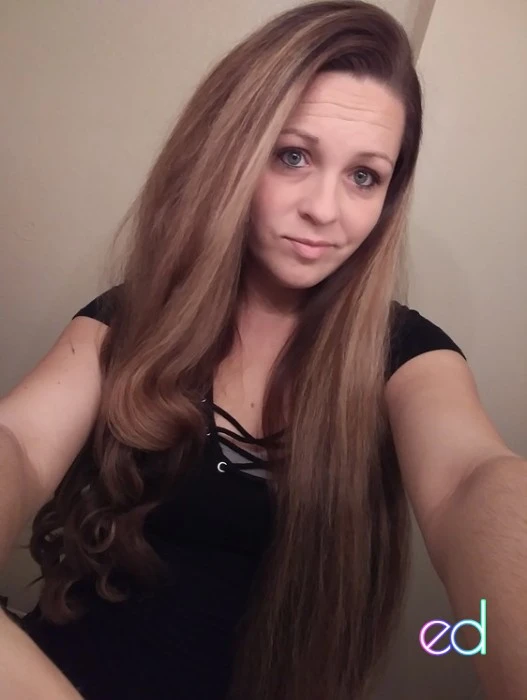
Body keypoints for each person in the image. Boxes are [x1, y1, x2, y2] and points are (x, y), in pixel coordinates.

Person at [1, 1, 526, 699]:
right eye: (293, 155)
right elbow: (19, 442)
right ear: (233, 154)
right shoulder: (128, 322)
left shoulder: (405, 355)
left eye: (364, 176)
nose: (325, 210)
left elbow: (471, 479)